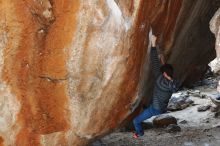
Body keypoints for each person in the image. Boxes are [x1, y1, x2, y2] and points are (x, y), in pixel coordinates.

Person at [133, 35, 181, 138]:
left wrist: (153, 44)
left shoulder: (160, 80)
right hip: (162, 106)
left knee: (136, 121)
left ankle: (139, 133)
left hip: (155, 109)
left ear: (163, 74)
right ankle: (146, 107)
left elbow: (154, 62)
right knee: (150, 101)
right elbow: (167, 73)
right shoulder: (174, 82)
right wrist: (163, 61)